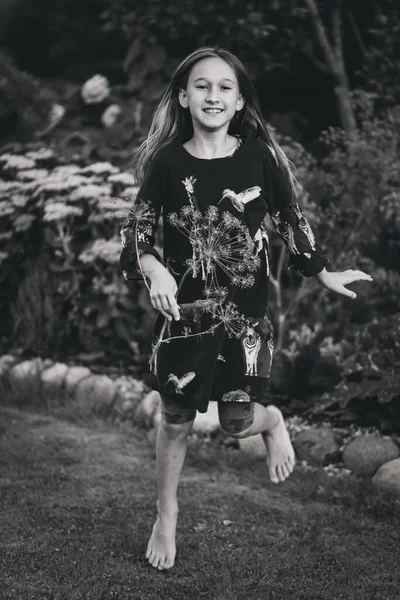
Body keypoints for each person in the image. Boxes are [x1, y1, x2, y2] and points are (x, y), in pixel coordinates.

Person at [119, 46, 373, 571]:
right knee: (177, 416)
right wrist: (156, 268)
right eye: (202, 86)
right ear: (184, 97)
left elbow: (288, 218)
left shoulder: (258, 157)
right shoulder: (167, 164)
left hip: (244, 320)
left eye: (225, 87)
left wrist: (323, 270)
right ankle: (165, 513)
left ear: (238, 102)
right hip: (185, 317)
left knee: (236, 422)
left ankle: (272, 419)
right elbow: (139, 234)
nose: (213, 95)